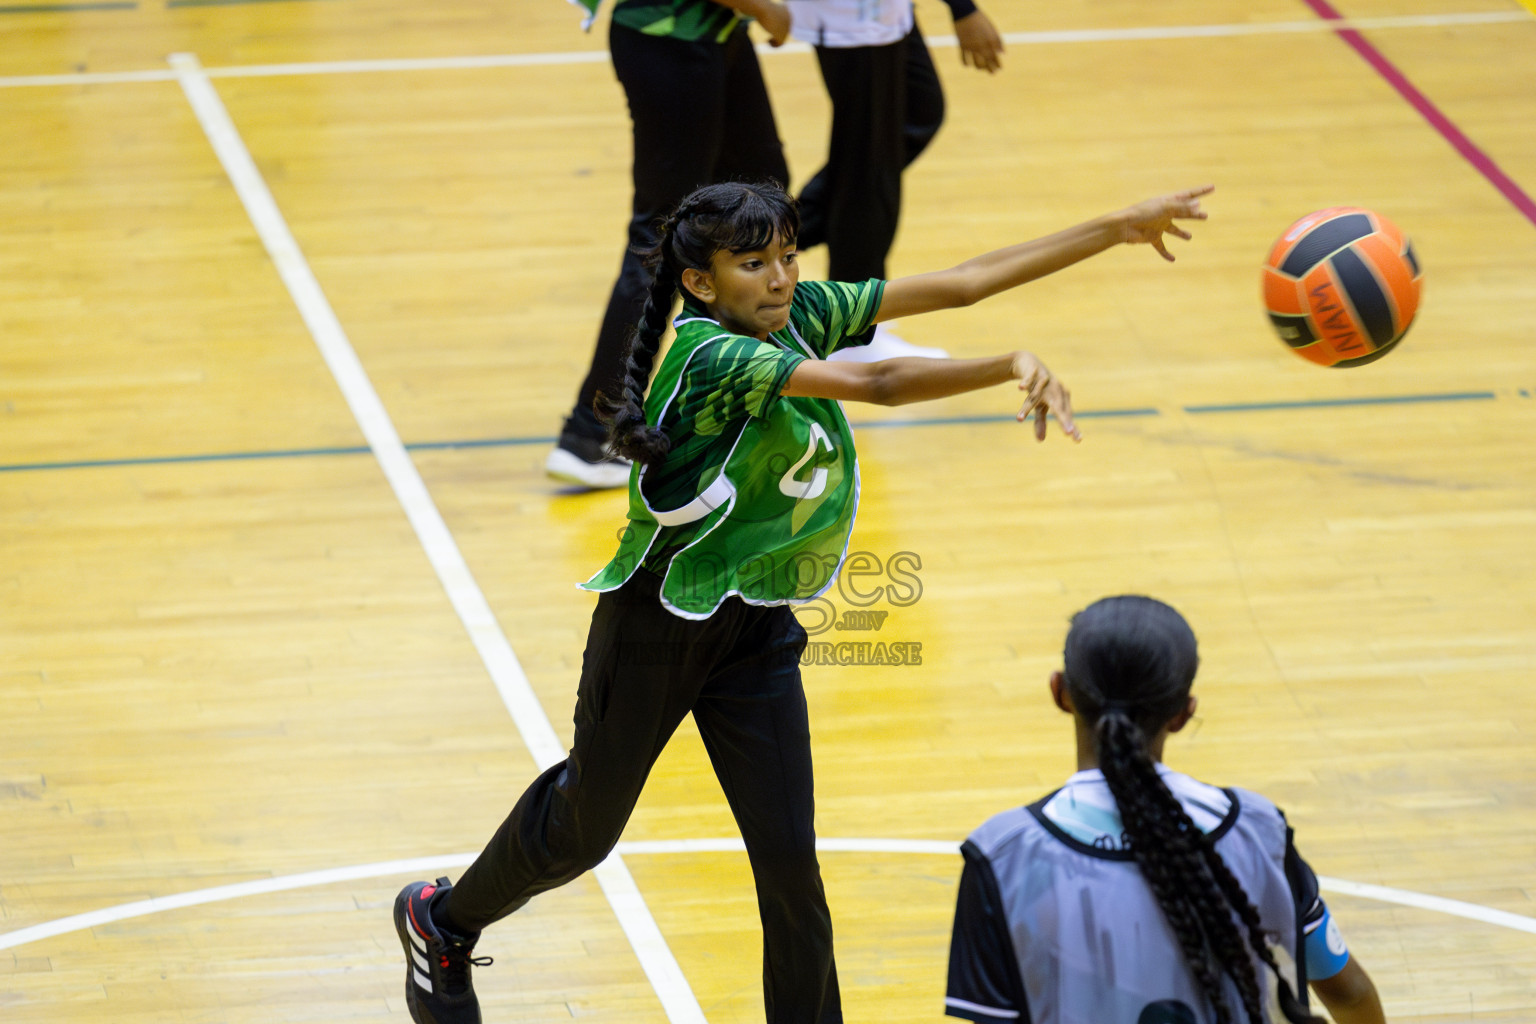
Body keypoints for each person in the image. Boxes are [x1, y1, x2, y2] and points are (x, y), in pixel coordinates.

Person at [395, 179, 1213, 1024]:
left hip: (754, 627)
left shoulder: (796, 313)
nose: (781, 278)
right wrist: (1007, 363)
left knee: (792, 873)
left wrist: (1115, 226)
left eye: (788, 256)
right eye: (754, 264)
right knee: (584, 831)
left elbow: (966, 279)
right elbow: (886, 383)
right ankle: (443, 923)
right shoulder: (716, 354)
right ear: (701, 284)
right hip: (657, 622)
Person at [944, 595, 1389, 1024]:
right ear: (1181, 714)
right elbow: (1351, 995)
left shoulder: (1003, 856)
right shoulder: (1256, 830)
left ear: (1060, 693)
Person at [545, 0, 797, 489]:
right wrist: (767, 10)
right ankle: (591, 433)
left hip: (717, 32)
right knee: (659, 238)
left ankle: (731, 396)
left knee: (757, 199)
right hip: (671, 40)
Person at [790, 0, 1008, 362]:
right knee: (867, 164)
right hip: (855, 15)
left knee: (916, 112)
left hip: (886, 11)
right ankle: (851, 334)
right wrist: (962, 8)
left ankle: (771, 237)